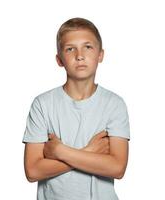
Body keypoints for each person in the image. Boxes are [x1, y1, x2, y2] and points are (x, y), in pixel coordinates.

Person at [23, 17, 130, 200]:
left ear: (100, 55)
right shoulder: (42, 104)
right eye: (70, 49)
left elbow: (117, 168)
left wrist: (59, 151)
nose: (79, 55)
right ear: (59, 60)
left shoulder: (114, 104)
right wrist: (89, 152)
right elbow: (33, 171)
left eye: (87, 47)